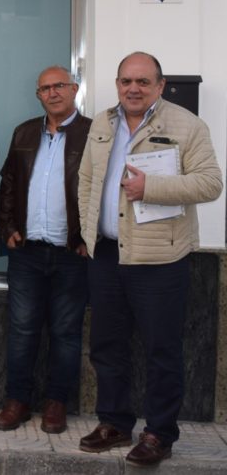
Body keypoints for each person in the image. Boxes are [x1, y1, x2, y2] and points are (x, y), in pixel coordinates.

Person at [77, 52, 222, 467]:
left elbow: (211, 183)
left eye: (143, 81)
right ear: (117, 84)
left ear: (160, 85)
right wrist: (88, 232)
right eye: (126, 81)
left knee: (162, 350)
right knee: (107, 346)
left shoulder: (187, 125)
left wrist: (151, 188)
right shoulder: (102, 123)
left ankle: (160, 433)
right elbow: (87, 179)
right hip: (107, 255)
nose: (133, 89)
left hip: (160, 260)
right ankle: (114, 422)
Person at [0, 66, 91, 434]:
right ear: (39, 95)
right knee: (21, 330)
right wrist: (8, 228)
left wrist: (89, 237)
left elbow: (104, 190)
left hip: (71, 253)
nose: (52, 93)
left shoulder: (94, 134)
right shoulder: (24, 132)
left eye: (59, 86)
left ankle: (56, 403)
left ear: (74, 89)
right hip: (27, 252)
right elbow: (8, 185)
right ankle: (17, 401)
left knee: (66, 332)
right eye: (45, 88)